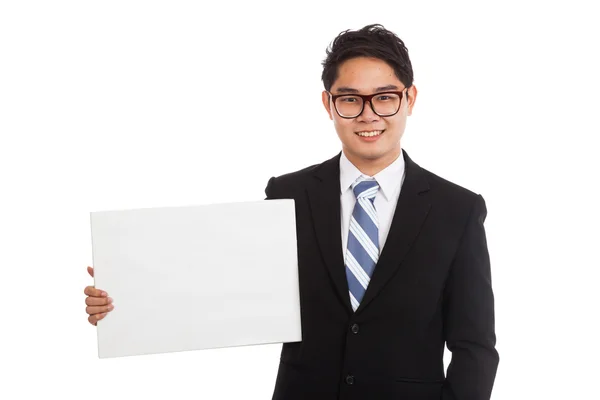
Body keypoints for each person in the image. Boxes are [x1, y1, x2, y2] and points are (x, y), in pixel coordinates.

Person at [84, 24, 499, 399]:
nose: (368, 114)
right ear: (328, 104)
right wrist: (127, 296)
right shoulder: (289, 195)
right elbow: (225, 289)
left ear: (410, 98)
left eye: (385, 98)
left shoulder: (457, 210)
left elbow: (475, 346)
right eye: (350, 99)